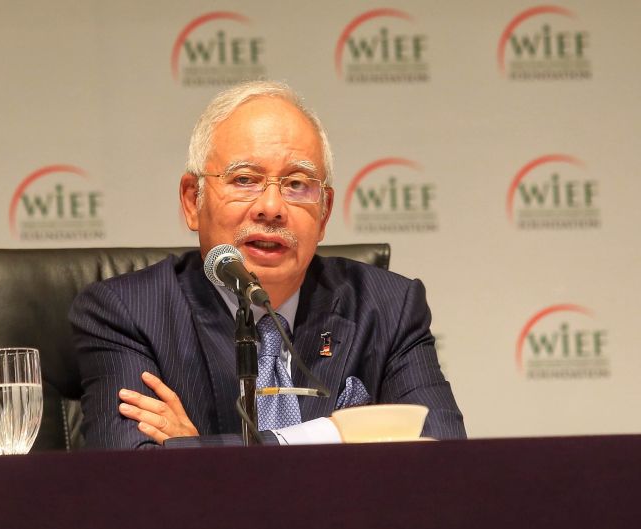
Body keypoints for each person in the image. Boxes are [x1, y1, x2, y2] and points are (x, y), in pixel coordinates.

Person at [70, 80, 465, 448]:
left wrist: (198, 451)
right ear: (193, 200)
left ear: (324, 215)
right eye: (245, 179)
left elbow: (440, 456)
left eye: (297, 185)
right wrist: (342, 437)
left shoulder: (389, 307)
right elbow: (131, 478)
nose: (272, 208)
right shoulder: (128, 313)